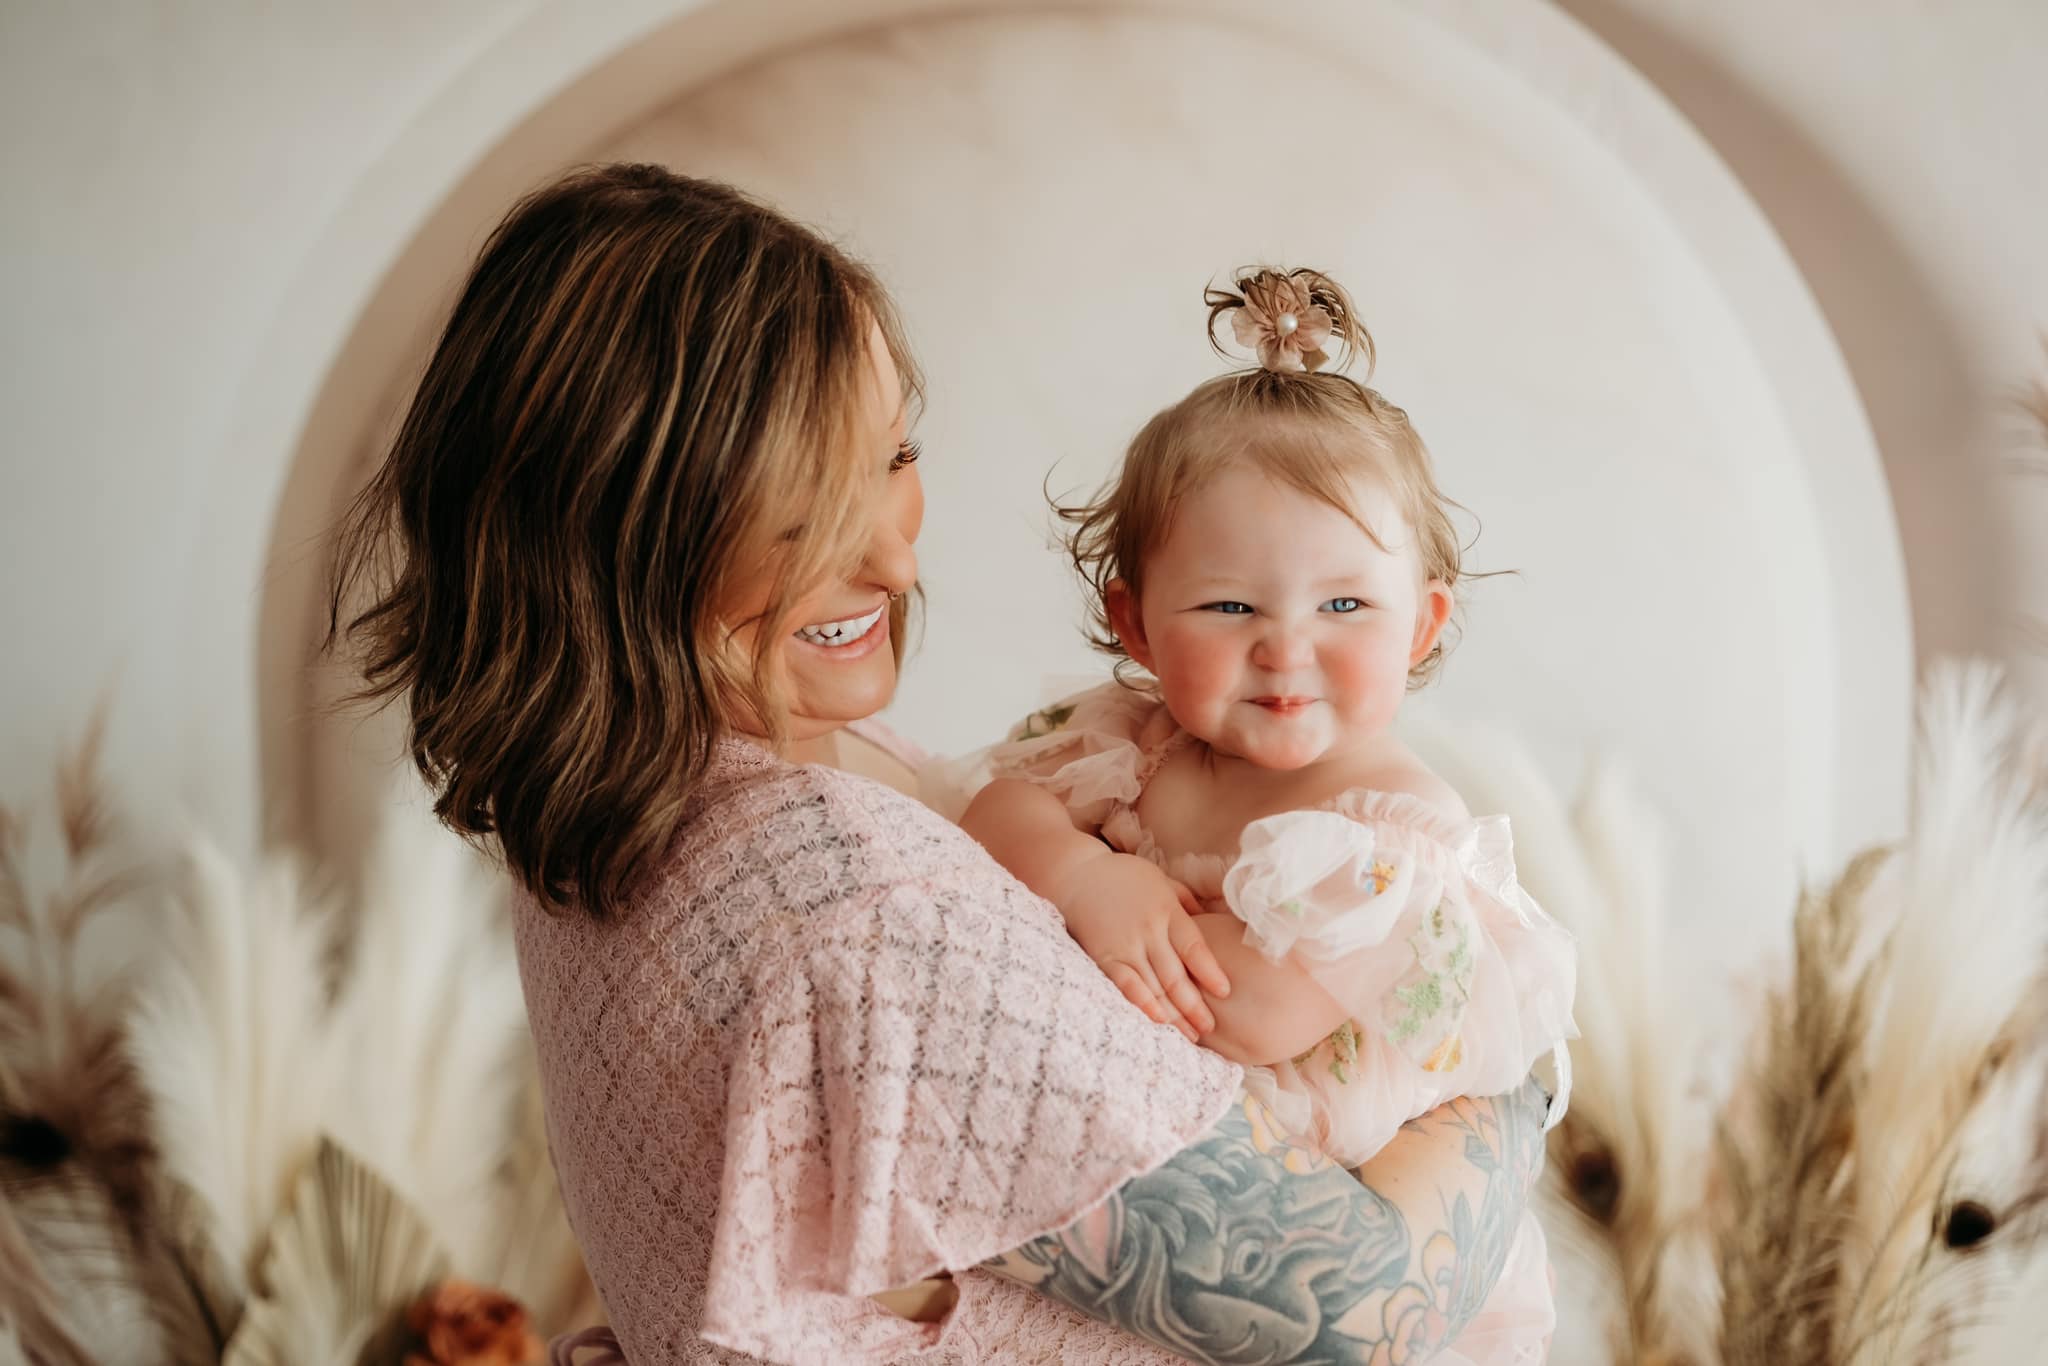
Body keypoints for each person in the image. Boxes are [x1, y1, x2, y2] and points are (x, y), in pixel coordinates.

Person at [327, 165, 1551, 1365]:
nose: (898, 564)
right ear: (613, 537)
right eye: (798, 514)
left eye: (895, 457)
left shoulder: (628, 782)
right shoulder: (863, 914)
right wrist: (1498, 1057)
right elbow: (1354, 1301)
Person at [961, 267, 1576, 1362]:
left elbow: (1238, 1011)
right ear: (1137, 624)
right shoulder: (1124, 738)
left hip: (1342, 1250)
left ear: (1422, 624)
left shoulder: (1388, 831)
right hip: (1162, 1222)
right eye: (1228, 604)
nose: (1284, 646)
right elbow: (992, 809)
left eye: (1343, 604)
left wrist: (1086, 916)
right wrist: (1081, 876)